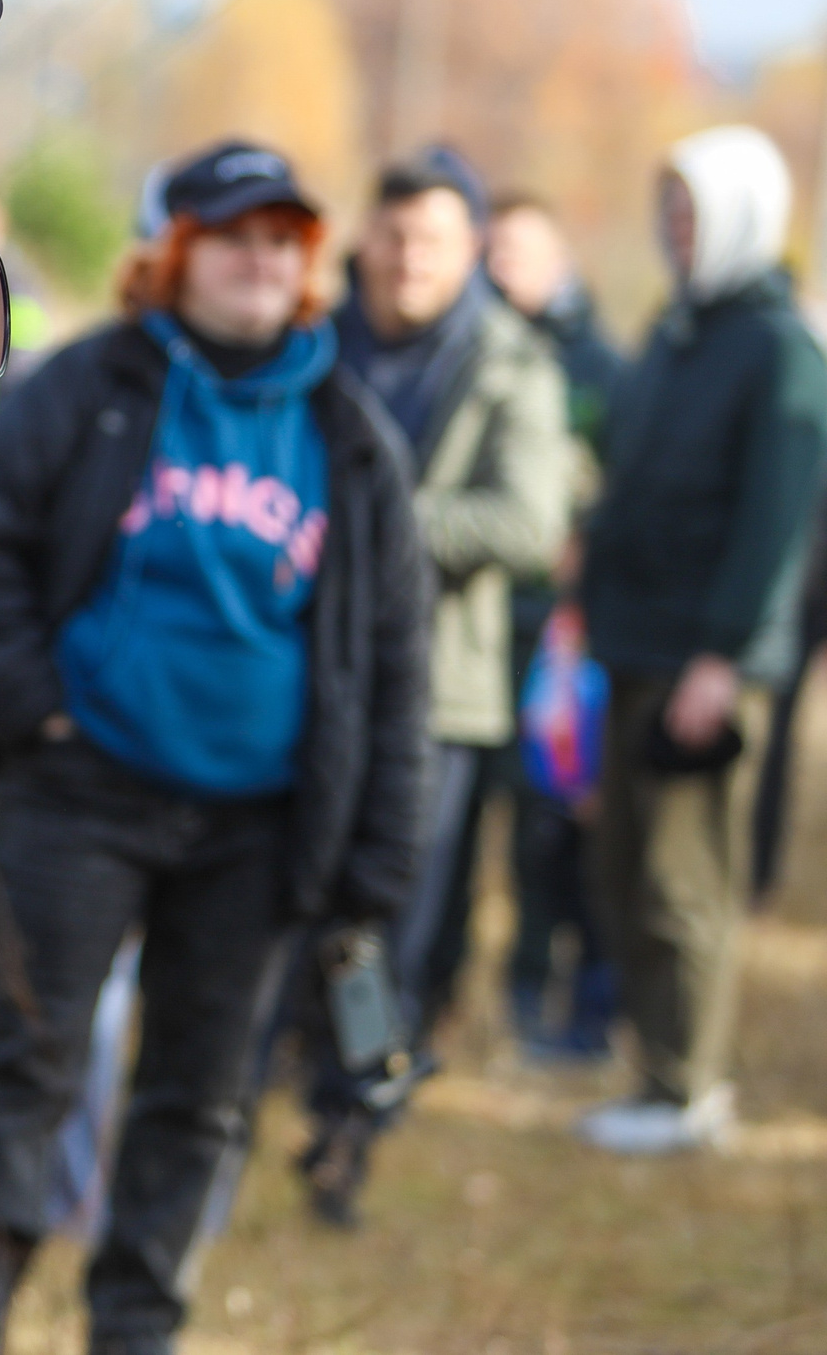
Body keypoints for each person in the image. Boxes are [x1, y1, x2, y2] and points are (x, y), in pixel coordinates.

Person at [0, 139, 428, 1355]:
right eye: (232, 235)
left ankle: (134, 1330)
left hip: (256, 824)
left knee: (196, 1100)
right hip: (80, 795)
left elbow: (394, 663)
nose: (259, 259)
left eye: (281, 240)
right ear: (173, 253)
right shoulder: (86, 384)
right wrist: (29, 710)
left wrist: (377, 858)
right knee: (29, 1073)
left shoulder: (349, 437)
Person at [303, 147, 570, 1221]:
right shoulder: (311, 343)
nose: (409, 257)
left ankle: (348, 1125)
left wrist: (386, 526)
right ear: (365, 237)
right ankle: (272, 1074)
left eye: (435, 240)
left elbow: (531, 521)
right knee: (285, 887)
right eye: (395, 233)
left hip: (439, 695)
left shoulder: (512, 363)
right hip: (303, 666)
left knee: (391, 917)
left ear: (471, 252)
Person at [576, 124, 827, 1155]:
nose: (677, 229)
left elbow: (775, 520)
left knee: (687, 877)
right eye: (668, 208)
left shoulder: (778, 348)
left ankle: (689, 1087)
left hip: (703, 662)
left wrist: (722, 655)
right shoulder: (675, 328)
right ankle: (653, 1065)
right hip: (633, 642)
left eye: (695, 211)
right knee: (628, 866)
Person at [482, 192, 626, 1056]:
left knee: (554, 821)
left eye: (522, 252)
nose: (505, 269)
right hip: (481, 620)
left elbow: (632, 484)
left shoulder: (601, 370)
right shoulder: (475, 351)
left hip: (566, 637)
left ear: (558, 258)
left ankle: (562, 994)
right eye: (494, 252)